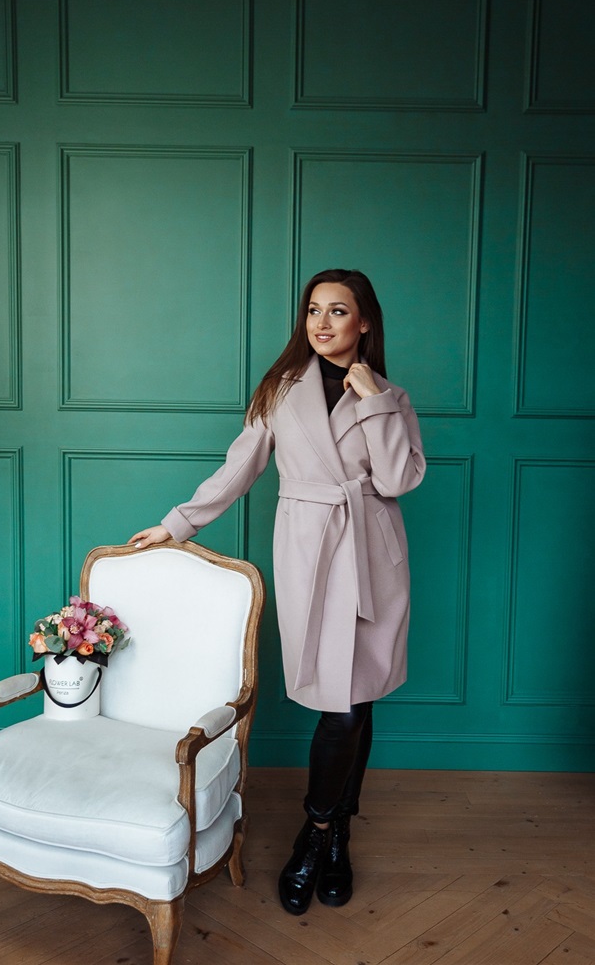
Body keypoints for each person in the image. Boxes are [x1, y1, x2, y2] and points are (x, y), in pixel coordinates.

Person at [129, 268, 426, 915]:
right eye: (313, 310)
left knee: (358, 699)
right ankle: (319, 829)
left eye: (338, 311)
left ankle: (331, 831)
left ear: (364, 322)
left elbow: (398, 480)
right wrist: (178, 524)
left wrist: (373, 400)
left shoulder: (391, 397)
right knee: (340, 705)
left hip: (373, 553)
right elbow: (240, 466)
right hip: (311, 553)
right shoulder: (279, 389)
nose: (321, 323)